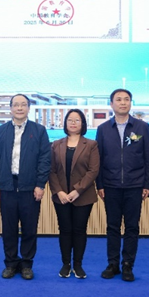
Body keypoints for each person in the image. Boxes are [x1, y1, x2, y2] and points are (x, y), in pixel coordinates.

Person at [96, 89, 149, 282]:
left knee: (131, 227)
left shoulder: (142, 127)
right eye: (118, 100)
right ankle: (112, 264)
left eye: (126, 99)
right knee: (112, 227)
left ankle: (128, 264)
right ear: (111, 104)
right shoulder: (103, 129)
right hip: (110, 185)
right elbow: (98, 159)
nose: (123, 103)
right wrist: (100, 184)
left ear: (131, 103)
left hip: (135, 185)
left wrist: (147, 184)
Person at [0, 94, 51, 280]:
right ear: (10, 108)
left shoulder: (39, 131)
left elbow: (45, 159)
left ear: (28, 108)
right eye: (16, 105)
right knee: (8, 228)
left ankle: (26, 264)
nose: (19, 108)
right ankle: (10, 263)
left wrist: (40, 184)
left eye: (23, 105)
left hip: (30, 188)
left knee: (29, 228)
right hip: (7, 186)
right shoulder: (0, 131)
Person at [48, 109, 99, 279]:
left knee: (79, 230)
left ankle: (78, 265)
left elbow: (93, 170)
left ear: (83, 123)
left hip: (83, 195)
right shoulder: (56, 144)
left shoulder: (91, 144)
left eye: (77, 120)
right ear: (65, 123)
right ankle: (65, 264)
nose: (73, 123)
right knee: (64, 230)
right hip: (61, 196)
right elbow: (51, 170)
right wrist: (59, 191)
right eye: (70, 120)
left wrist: (78, 190)